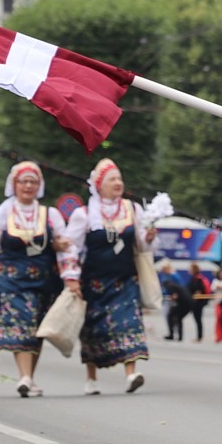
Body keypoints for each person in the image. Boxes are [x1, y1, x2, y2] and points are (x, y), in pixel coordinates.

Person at [0, 161, 68, 398]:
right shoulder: (2, 215)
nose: (28, 186)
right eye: (23, 181)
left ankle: (29, 377)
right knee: (22, 324)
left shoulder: (50, 215)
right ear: (13, 185)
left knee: (37, 330)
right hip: (11, 278)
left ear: (39, 186)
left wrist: (69, 272)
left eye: (32, 181)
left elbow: (64, 245)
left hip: (44, 280)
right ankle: (24, 376)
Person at [61, 159, 155, 395]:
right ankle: (91, 378)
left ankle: (131, 373)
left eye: (119, 178)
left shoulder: (132, 209)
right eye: (112, 179)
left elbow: (141, 246)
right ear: (100, 184)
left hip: (125, 279)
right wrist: (71, 277)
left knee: (129, 322)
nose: (118, 183)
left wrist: (150, 237)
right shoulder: (84, 215)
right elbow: (70, 246)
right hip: (94, 281)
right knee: (94, 330)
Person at [187, 262, 211, 343]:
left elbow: (199, 291)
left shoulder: (198, 279)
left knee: (198, 319)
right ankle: (199, 336)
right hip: (196, 302)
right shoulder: (194, 278)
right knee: (197, 319)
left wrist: (194, 299)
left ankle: (199, 337)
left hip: (198, 303)